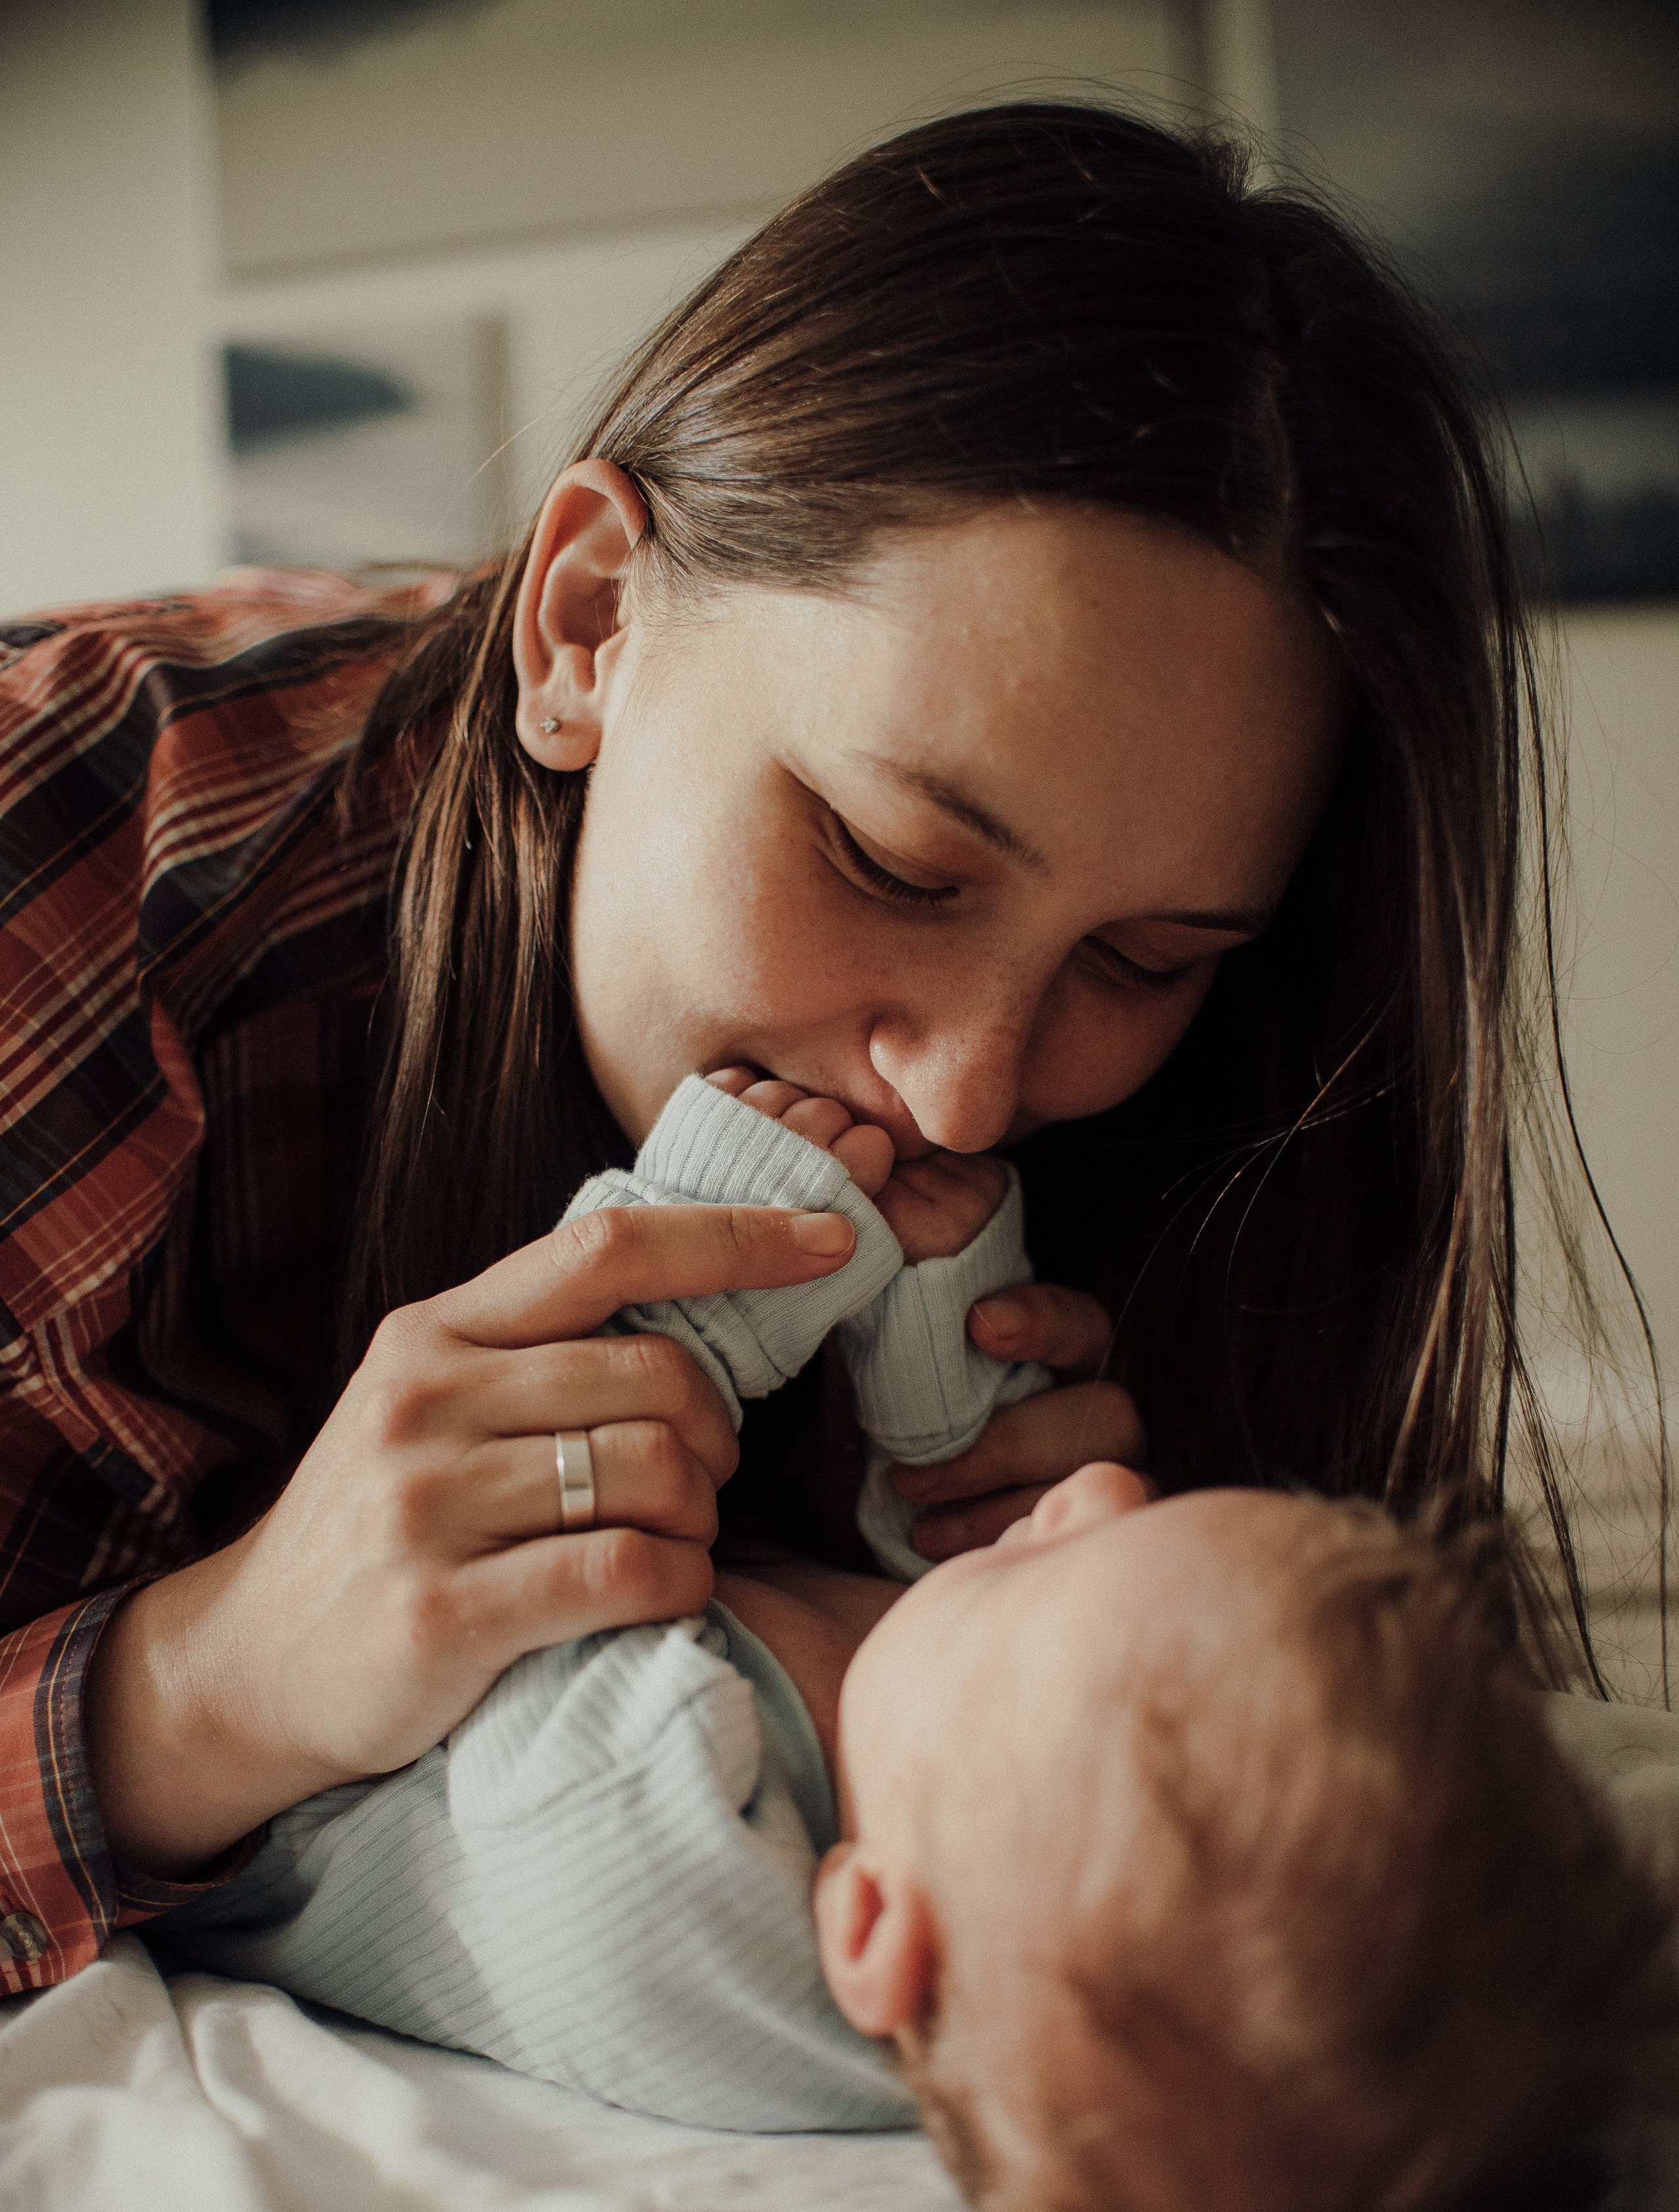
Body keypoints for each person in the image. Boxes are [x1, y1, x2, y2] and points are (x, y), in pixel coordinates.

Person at [0, 100, 1648, 1996]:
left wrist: (1045, 1649)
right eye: (887, 858)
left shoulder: (1217, 1119)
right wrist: (198, 1684)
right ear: (590, 623)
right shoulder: (64, 883)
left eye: (1144, 955)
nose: (968, 1088)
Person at [154, 1076, 1672, 2212]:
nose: (1097, 1488)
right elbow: (905, 1570)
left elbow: (568, 1528)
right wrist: (944, 1385)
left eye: (1050, 1571)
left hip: (209, 1798)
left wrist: (726, 1247)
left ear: (871, 1934)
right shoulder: (962, 1825)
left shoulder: (654, 1858)